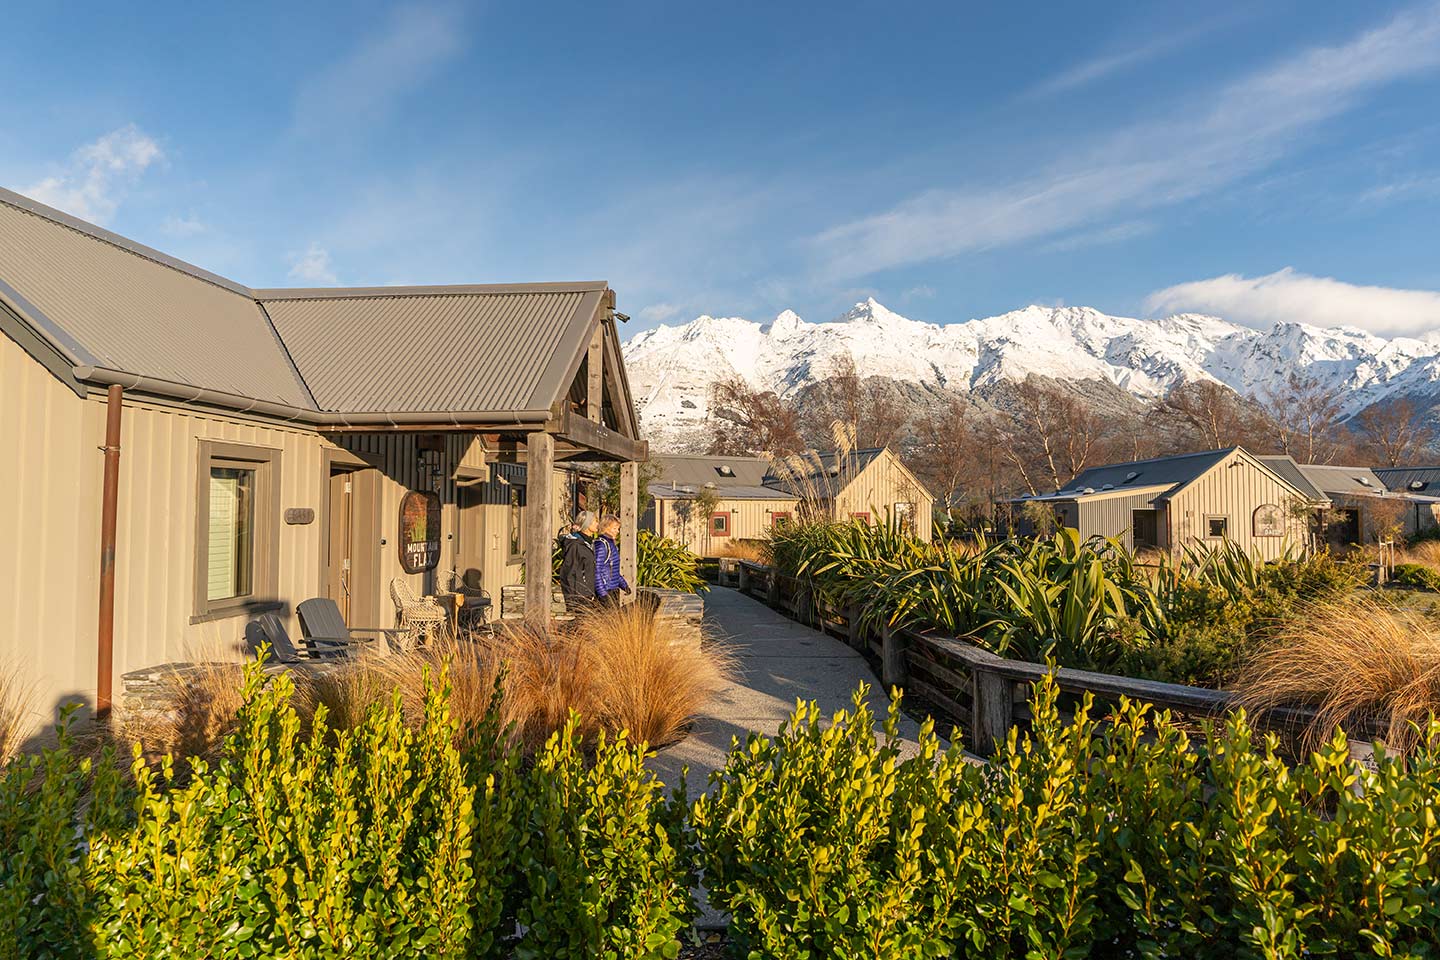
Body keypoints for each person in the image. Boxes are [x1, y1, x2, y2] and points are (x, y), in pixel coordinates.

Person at [558, 510, 598, 611]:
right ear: (587, 524)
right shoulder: (575, 545)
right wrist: (577, 596)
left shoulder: (589, 544)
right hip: (580, 597)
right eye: (595, 521)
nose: (598, 524)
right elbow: (569, 572)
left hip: (589, 595)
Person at [594, 514, 632, 606]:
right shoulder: (601, 544)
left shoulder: (611, 544)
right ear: (605, 528)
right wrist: (603, 594)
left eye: (618, 529)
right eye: (614, 529)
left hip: (612, 588)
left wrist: (624, 585)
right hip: (606, 589)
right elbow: (596, 570)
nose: (617, 531)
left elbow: (613, 570)